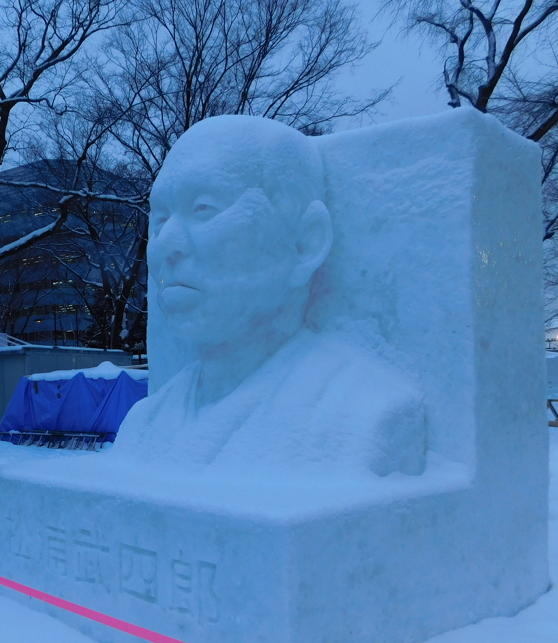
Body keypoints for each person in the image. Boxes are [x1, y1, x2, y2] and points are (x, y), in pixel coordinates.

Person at [112, 116, 426, 477]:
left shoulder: (363, 417)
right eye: (160, 219)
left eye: (203, 209)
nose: (166, 243)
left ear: (306, 243)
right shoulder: (143, 424)